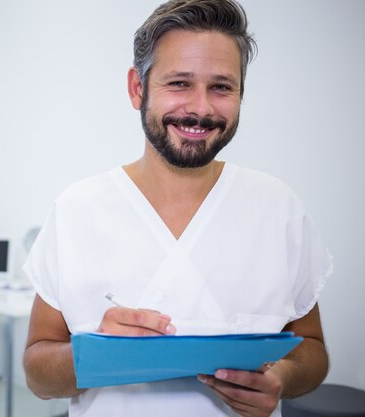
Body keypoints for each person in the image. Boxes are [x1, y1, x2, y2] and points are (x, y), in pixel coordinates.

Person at [22, 0, 333, 416]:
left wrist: (283, 377)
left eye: (222, 87)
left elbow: (312, 350)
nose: (201, 108)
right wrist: (96, 355)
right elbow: (37, 376)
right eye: (180, 83)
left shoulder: (279, 208)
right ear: (138, 88)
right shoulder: (77, 209)